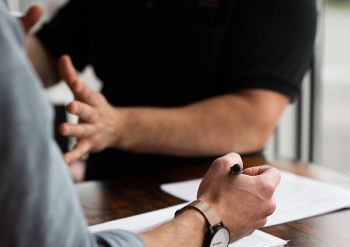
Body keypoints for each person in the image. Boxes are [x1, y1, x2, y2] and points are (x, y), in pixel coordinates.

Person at [0, 1, 281, 247]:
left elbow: (253, 119)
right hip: (110, 200)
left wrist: (117, 125)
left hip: (226, 195)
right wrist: (212, 219)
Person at [25, 0, 317, 180]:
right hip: (108, 188)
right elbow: (51, 55)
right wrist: (9, 49)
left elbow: (252, 119)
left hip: (213, 199)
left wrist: (117, 126)